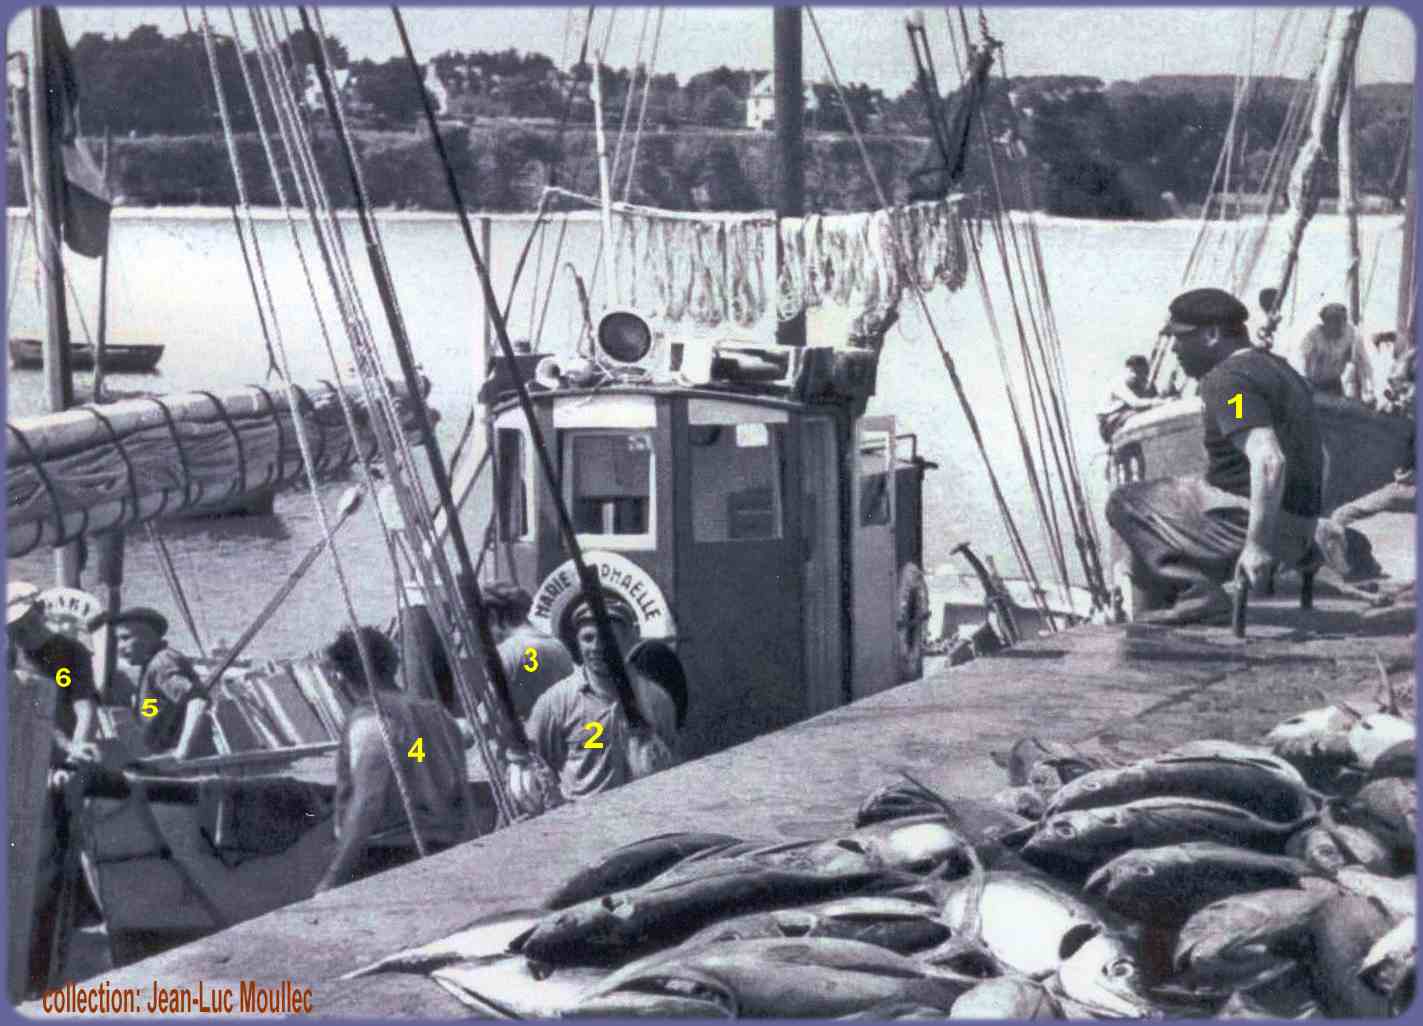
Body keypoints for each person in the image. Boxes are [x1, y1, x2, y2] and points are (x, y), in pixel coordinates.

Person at [1106, 287, 1324, 625]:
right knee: (1178, 490)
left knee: (1126, 502)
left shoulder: (1229, 383)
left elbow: (1269, 459)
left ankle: (1197, 593)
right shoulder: (1282, 370)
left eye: (1181, 338)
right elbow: (1320, 455)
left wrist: (1257, 546)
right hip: (1301, 529)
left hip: (1257, 529)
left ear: (1211, 335)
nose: (1175, 349)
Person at [316, 625, 477, 894]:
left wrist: (333, 878)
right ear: (393, 665)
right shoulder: (438, 715)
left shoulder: (369, 723)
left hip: (384, 858)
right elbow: (461, 792)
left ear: (340, 677)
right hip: (442, 848)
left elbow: (368, 803)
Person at [526, 596, 679, 800]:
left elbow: (669, 761)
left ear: (627, 639)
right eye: (588, 638)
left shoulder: (656, 699)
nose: (597, 647)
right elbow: (535, 762)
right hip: (583, 817)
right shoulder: (556, 702)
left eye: (608, 637)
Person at [87, 607, 215, 762]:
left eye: (125, 638)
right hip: (170, 757)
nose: (119, 647)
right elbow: (155, 712)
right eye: (117, 641)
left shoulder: (161, 662)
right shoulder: (149, 668)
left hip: (188, 763)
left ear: (148, 637)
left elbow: (197, 701)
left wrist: (182, 752)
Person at [8, 582, 99, 762]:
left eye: (31, 622)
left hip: (62, 749)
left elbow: (84, 707)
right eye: (17, 630)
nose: (27, 632)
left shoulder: (73, 651)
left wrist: (76, 749)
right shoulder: (9, 656)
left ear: (40, 609)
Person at [473, 578, 575, 720]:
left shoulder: (507, 653)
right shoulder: (559, 647)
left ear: (493, 616)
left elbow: (485, 720)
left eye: (484, 626)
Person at [1284, 302, 1373, 401]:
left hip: (1334, 382)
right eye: (1331, 321)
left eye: (1339, 321)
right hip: (1312, 383)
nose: (1336, 325)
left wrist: (1368, 391)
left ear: (1344, 321)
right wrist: (1302, 384)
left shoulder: (1352, 334)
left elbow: (1364, 364)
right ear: (1324, 322)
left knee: (1340, 407)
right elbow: (1300, 359)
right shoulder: (1313, 335)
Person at [1097, 355, 1169, 443]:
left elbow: (1151, 398)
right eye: (1140, 373)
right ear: (1131, 370)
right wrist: (1162, 402)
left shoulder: (1136, 381)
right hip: (1109, 424)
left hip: (1121, 417)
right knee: (1145, 414)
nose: (1143, 378)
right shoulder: (1119, 383)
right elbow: (1135, 403)